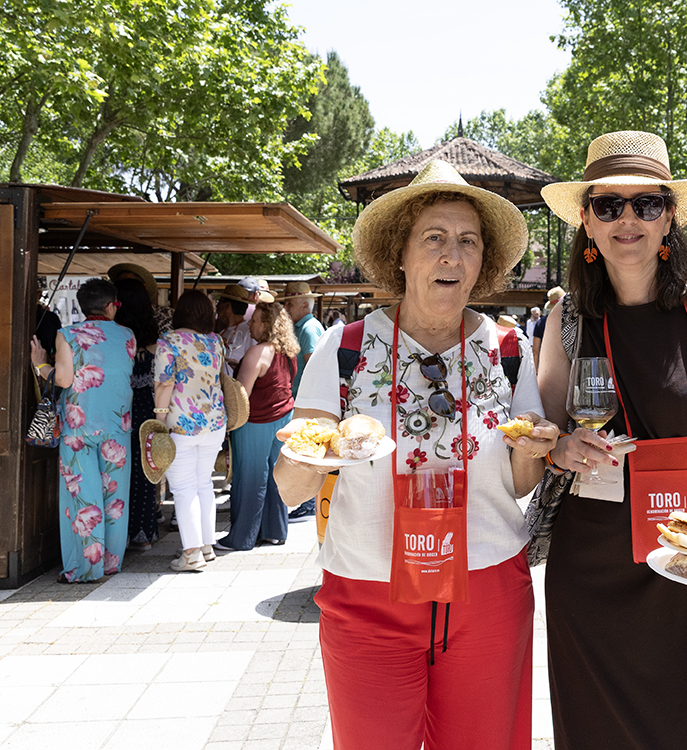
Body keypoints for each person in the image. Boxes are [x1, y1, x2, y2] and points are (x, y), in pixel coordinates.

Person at [273, 159, 557, 750]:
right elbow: (291, 488)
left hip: (488, 592)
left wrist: (535, 448)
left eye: (467, 242)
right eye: (434, 238)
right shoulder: (344, 347)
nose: (451, 255)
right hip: (367, 597)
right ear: (400, 255)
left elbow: (521, 482)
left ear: (482, 263)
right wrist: (314, 454)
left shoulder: (507, 349)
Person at [536, 130, 687, 750]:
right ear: (586, 223)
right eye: (609, 204)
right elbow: (540, 438)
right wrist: (561, 447)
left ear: (670, 218)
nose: (628, 219)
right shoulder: (566, 316)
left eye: (647, 204)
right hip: (592, 581)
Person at [30, 279, 135, 583]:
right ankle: (111, 562)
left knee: (83, 497)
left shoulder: (68, 335)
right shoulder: (128, 335)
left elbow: (62, 379)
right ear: (112, 304)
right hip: (118, 425)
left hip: (79, 426)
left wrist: (40, 364)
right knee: (114, 499)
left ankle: (86, 568)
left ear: (80, 305)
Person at [216, 301, 299, 550]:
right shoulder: (289, 351)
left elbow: (241, 394)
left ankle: (241, 538)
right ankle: (274, 531)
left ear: (267, 324)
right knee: (276, 476)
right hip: (284, 417)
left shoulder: (257, 352)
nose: (250, 323)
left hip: (255, 421)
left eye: (255, 320)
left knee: (249, 478)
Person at [154, 290, 227, 571]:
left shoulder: (169, 342)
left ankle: (191, 553)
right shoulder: (215, 341)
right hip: (214, 423)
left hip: (180, 423)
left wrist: (158, 421)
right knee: (203, 484)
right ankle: (207, 546)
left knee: (183, 489)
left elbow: (164, 384)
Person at [113, 277, 161, 551]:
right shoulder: (156, 344)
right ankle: (143, 532)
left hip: (118, 409)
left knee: (117, 469)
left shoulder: (115, 341)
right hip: (147, 409)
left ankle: (119, 533)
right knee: (144, 470)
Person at [277, 281, 326, 519]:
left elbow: (314, 365)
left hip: (305, 400)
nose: (285, 307)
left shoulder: (307, 329)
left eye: (289, 302)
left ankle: (308, 503)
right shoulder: (305, 326)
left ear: (305, 305)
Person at [108, 262, 173, 336]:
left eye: (131, 284)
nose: (126, 289)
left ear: (144, 287)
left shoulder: (166, 315)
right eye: (121, 285)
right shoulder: (108, 315)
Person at [215, 284, 257, 376]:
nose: (217, 306)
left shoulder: (249, 331)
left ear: (227, 306)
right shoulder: (222, 332)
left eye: (219, 302)